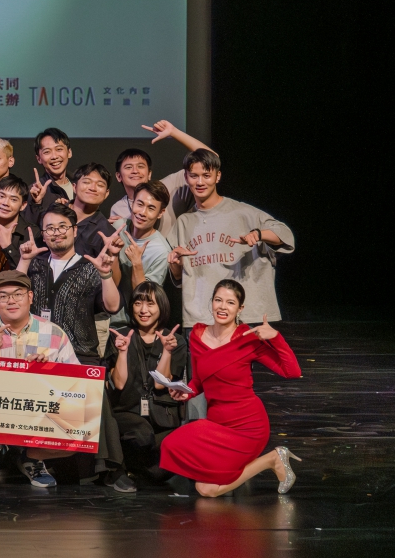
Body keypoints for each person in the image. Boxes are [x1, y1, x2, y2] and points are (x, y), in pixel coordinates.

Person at [159, 279, 302, 496]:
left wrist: (276, 337)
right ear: (211, 302)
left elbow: (291, 371)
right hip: (217, 426)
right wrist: (186, 393)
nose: (222, 307)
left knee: (204, 485)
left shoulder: (248, 339)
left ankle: (272, 459)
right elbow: (199, 381)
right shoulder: (197, 336)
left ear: (240, 308)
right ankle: (272, 459)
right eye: (218, 300)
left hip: (248, 427)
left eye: (230, 302)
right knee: (201, 483)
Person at [20, 202, 128, 488]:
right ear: (43, 234)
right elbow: (13, 296)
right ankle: (27, 459)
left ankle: (113, 469)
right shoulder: (35, 265)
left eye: (62, 227)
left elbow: (112, 306)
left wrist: (106, 274)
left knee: (93, 391)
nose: (56, 233)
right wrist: (24, 262)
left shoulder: (90, 265)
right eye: (50, 228)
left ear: (74, 230)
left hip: (80, 351)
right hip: (38, 352)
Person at [0, 270, 79, 491]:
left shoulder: (54, 333)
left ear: (30, 297)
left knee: (80, 426)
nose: (11, 301)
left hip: (38, 410)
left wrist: (49, 371)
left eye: (18, 294)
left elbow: (76, 384)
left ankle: (32, 459)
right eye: (3, 296)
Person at [167, 149, 295, 325]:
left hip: (248, 316)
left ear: (218, 176)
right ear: (186, 177)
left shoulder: (243, 213)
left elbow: (285, 235)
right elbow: (178, 277)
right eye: (194, 176)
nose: (200, 182)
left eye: (206, 175)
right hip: (202, 319)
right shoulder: (183, 223)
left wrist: (258, 234)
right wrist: (175, 263)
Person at [104, 281, 186, 484]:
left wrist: (167, 351)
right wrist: (123, 352)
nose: (143, 310)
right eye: (138, 303)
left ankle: (135, 469)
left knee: (168, 461)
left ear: (161, 307)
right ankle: (123, 467)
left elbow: (160, 384)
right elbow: (119, 384)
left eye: (150, 304)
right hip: (127, 411)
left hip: (161, 416)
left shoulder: (175, 340)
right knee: (141, 434)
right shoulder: (120, 335)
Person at [107, 181, 173, 328]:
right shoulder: (119, 227)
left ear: (160, 213)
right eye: (140, 204)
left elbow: (146, 300)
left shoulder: (161, 251)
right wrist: (114, 255)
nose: (142, 212)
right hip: (106, 318)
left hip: (133, 325)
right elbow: (112, 283)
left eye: (151, 208)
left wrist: (137, 263)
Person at [0, 175, 38, 281]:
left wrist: (8, 247)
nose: (5, 203)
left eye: (13, 199)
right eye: (1, 196)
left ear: (23, 205)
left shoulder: (31, 233)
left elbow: (31, 277)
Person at [29, 127, 76, 207]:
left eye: (59, 149)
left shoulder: (80, 184)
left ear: (69, 152)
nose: (54, 156)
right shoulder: (34, 192)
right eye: (47, 152)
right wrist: (36, 203)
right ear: (39, 159)